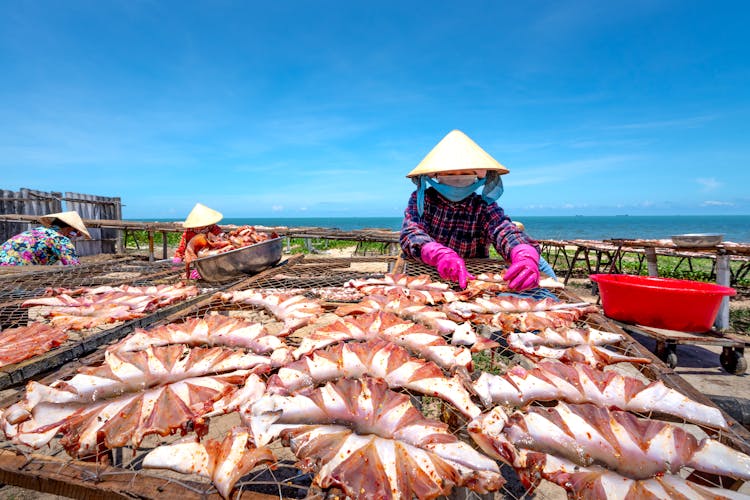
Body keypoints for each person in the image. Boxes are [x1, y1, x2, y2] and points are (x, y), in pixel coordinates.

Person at [400, 129, 541, 291]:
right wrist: (438, 254)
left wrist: (523, 252)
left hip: (470, 280)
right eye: (450, 173)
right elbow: (411, 232)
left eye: (465, 173)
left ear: (477, 178)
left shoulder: (483, 206)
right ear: (437, 176)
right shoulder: (423, 200)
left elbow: (504, 230)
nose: (458, 178)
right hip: (424, 276)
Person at [0, 211, 91, 266]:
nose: (73, 236)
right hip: (12, 273)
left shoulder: (37, 232)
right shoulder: (60, 239)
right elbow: (74, 266)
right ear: (68, 228)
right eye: (74, 232)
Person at [173, 203, 224, 279]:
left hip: (213, 262)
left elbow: (221, 249)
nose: (199, 227)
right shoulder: (189, 232)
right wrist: (177, 260)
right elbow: (182, 248)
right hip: (193, 262)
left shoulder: (215, 230)